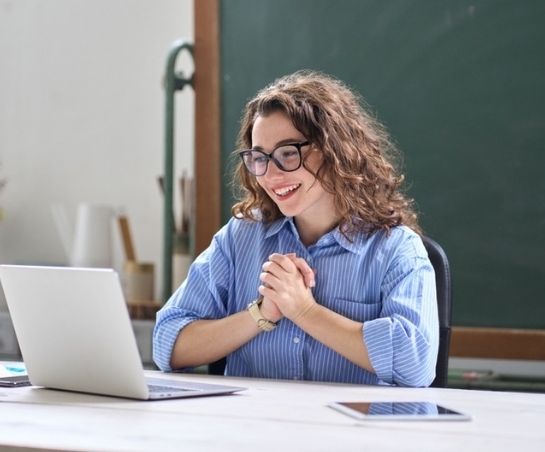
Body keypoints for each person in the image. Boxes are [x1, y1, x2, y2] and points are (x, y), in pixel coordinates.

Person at [153, 70, 438, 387]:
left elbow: (416, 365)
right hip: (253, 430)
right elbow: (167, 344)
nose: (272, 176)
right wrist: (261, 314)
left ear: (334, 150)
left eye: (288, 153)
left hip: (353, 433)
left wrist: (303, 311)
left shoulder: (397, 249)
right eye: (259, 157)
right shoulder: (240, 238)